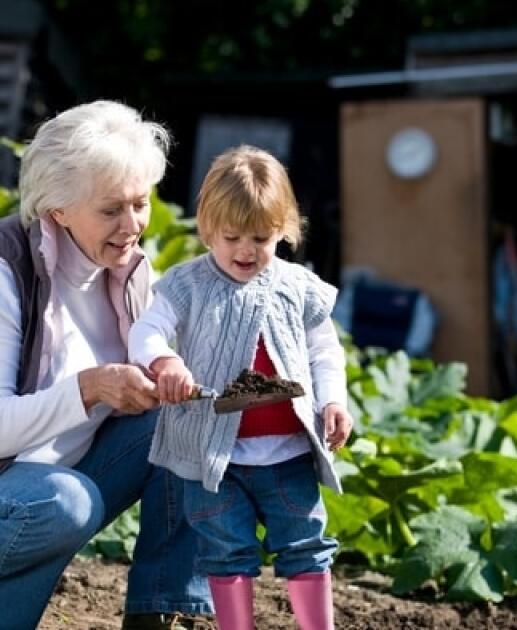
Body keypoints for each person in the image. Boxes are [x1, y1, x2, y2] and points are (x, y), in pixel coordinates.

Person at [0, 100, 213, 630]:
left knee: (186, 424)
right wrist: (92, 388)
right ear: (57, 210)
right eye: (111, 210)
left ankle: (162, 611)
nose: (133, 225)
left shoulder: (127, 270)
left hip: (53, 475)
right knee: (63, 504)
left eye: (140, 204)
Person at [128, 145, 354, 630]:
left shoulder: (296, 285)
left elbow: (324, 351)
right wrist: (164, 360)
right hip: (215, 460)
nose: (246, 251)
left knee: (307, 545)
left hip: (289, 454)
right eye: (231, 237)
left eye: (262, 237)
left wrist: (334, 399)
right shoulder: (186, 284)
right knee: (225, 551)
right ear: (207, 228)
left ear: (284, 229)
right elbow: (143, 332)